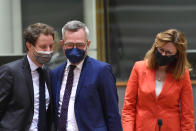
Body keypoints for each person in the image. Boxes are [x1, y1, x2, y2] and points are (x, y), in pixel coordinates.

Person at [50, 20, 122, 131]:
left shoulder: (101, 70)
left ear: (87, 44)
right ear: (62, 45)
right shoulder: (55, 73)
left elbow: (112, 114)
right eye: (69, 44)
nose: (74, 49)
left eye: (79, 45)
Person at [122, 29, 195, 131]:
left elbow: (187, 115)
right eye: (161, 50)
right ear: (155, 47)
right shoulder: (139, 68)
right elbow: (128, 108)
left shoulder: (183, 74)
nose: (163, 54)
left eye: (169, 52)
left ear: (177, 55)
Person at [0, 23, 56, 131]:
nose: (48, 51)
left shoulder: (49, 73)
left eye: (51, 46)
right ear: (29, 45)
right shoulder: (10, 72)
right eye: (43, 47)